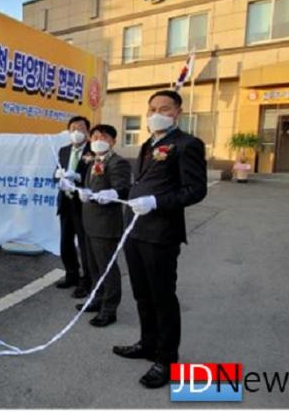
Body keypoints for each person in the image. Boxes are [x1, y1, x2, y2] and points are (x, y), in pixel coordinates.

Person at [113, 90, 207, 388]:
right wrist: (116, 194)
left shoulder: (187, 144)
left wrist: (156, 202)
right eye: (152, 108)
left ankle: (166, 359)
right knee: (142, 294)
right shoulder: (147, 144)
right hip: (135, 231)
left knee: (162, 297)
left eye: (164, 109)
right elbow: (141, 183)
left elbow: (195, 190)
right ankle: (148, 343)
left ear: (177, 112)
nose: (156, 114)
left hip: (161, 234)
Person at [76, 124, 131, 327]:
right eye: (95, 137)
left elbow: (124, 188)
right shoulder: (93, 160)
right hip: (89, 221)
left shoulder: (118, 162)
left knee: (107, 268)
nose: (99, 140)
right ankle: (96, 299)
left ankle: (109, 309)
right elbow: (91, 185)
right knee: (93, 266)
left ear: (113, 141)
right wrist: (84, 192)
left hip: (106, 225)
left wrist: (113, 193)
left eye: (104, 137)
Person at [55, 116, 93, 299]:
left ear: (87, 132)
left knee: (85, 245)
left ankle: (87, 281)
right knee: (66, 242)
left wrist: (78, 177)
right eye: (73, 128)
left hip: (83, 204)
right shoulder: (63, 150)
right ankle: (71, 274)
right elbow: (55, 173)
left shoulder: (93, 151)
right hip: (66, 202)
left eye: (80, 128)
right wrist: (58, 176)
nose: (76, 132)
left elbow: (96, 177)